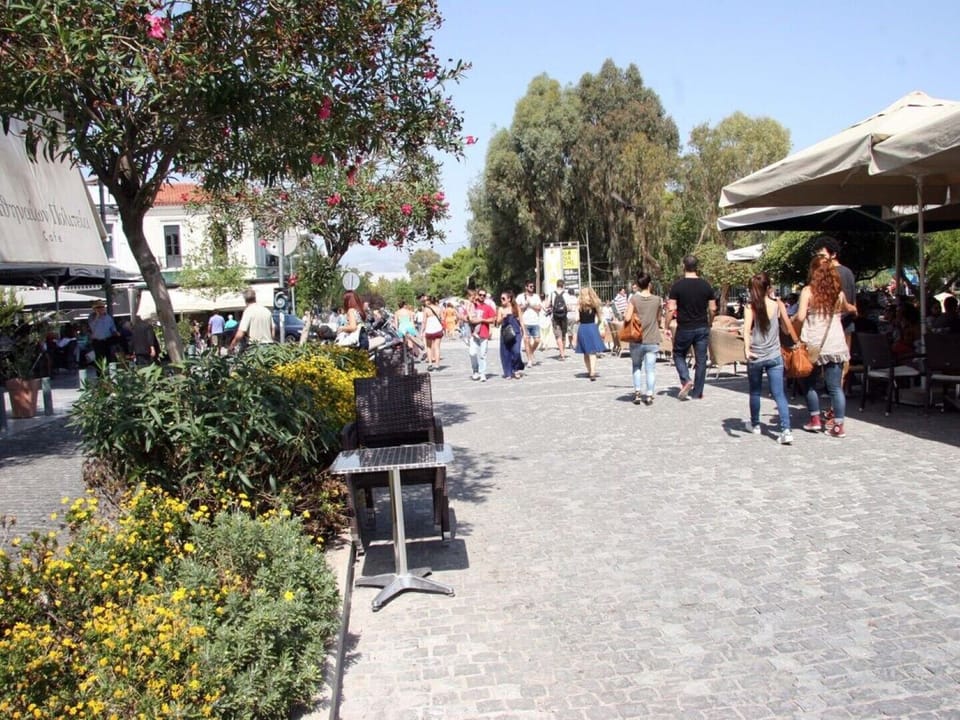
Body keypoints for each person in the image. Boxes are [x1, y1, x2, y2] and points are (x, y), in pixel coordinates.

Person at [795, 256, 851, 438]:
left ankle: (815, 420)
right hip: (835, 342)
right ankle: (838, 426)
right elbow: (844, 309)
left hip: (813, 342)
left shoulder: (807, 291)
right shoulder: (838, 293)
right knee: (835, 387)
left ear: (812, 271)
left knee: (809, 383)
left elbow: (801, 316)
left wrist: (791, 320)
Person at [742, 272, 794, 445]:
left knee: (755, 391)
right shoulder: (778, 304)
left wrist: (746, 350)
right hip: (774, 355)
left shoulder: (750, 307)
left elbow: (746, 330)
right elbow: (788, 327)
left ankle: (755, 424)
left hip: (756, 355)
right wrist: (796, 341)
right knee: (779, 394)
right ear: (768, 287)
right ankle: (786, 430)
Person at [667, 255, 716, 400]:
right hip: (702, 326)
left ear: (684, 266)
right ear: (697, 266)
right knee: (701, 360)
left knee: (678, 354)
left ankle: (686, 379)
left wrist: (667, 325)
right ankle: (698, 392)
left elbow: (671, 308)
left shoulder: (677, 286)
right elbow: (713, 308)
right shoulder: (706, 285)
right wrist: (710, 322)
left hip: (685, 327)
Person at [812, 236, 857, 378]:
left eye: (822, 255)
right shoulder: (848, 272)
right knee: (843, 361)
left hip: (835, 323)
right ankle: (839, 391)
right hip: (847, 322)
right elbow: (853, 301)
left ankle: (835, 392)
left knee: (831, 363)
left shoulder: (829, 273)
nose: (820, 259)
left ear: (833, 254)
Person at [623, 272, 662, 405]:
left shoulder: (633, 299)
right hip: (652, 338)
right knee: (650, 369)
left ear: (638, 285)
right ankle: (650, 394)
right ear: (649, 284)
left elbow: (627, 318)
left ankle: (638, 393)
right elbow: (658, 319)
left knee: (636, 366)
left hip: (636, 338)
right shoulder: (657, 300)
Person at [574, 287, 606, 381]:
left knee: (586, 352)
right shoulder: (594, 305)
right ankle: (593, 371)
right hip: (592, 327)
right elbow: (600, 319)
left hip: (583, 328)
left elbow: (576, 319)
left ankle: (589, 371)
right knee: (593, 352)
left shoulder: (579, 306)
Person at [229, 287, 275, 352]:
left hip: (254, 348)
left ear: (245, 300)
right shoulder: (267, 311)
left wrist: (232, 346)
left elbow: (240, 333)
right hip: (269, 346)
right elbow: (273, 330)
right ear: (255, 298)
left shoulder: (248, 311)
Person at [467, 288, 495, 381]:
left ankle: (482, 373)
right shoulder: (473, 305)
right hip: (473, 334)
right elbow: (468, 316)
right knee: (472, 353)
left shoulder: (488, 307)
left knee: (483, 355)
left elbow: (493, 319)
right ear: (477, 295)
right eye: (480, 295)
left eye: (484, 295)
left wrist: (483, 320)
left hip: (484, 333)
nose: (482, 297)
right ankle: (475, 370)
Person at [496, 290, 524, 379]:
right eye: (501, 298)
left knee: (516, 351)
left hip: (516, 332)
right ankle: (508, 372)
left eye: (503, 298)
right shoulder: (501, 309)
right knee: (506, 353)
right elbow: (497, 322)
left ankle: (516, 369)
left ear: (509, 299)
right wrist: (502, 318)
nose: (502, 300)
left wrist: (524, 331)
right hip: (506, 333)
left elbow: (521, 319)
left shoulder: (515, 307)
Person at [88, 299, 120, 370]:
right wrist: (97, 316)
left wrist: (116, 332)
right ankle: (100, 374)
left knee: (109, 358)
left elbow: (112, 327)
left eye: (102, 307)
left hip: (107, 340)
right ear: (95, 309)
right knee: (100, 359)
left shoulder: (108, 317)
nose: (101, 309)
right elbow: (92, 327)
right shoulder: (92, 317)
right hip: (98, 341)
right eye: (98, 307)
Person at [517, 280, 542, 368]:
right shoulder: (520, 297)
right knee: (526, 341)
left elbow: (539, 308)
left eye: (533, 286)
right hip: (525, 322)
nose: (532, 288)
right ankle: (529, 360)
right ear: (526, 287)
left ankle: (530, 352)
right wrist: (525, 305)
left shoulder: (536, 296)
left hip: (535, 321)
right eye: (530, 286)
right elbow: (518, 309)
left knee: (537, 340)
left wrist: (530, 305)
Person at [421, 295, 445, 370]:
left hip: (429, 329)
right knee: (437, 347)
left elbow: (424, 321)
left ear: (429, 301)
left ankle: (430, 363)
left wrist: (422, 331)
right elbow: (442, 319)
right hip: (438, 329)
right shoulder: (439, 308)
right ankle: (437, 365)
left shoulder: (426, 309)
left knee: (429, 347)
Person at [548, 279, 568, 360]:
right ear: (563, 285)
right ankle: (563, 352)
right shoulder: (566, 294)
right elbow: (569, 306)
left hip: (555, 317)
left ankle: (562, 354)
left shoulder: (552, 294)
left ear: (557, 285)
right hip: (564, 317)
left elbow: (547, 304)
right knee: (563, 335)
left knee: (558, 336)